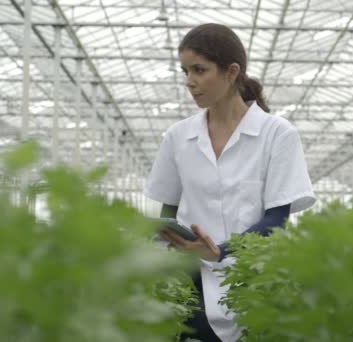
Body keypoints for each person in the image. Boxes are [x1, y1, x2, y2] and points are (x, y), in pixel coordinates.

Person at [144, 23, 316, 342]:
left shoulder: (277, 134)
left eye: (199, 70)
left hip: (250, 281)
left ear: (231, 71)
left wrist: (220, 252)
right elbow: (168, 211)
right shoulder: (178, 137)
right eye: (185, 71)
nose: (189, 82)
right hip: (189, 280)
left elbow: (276, 221)